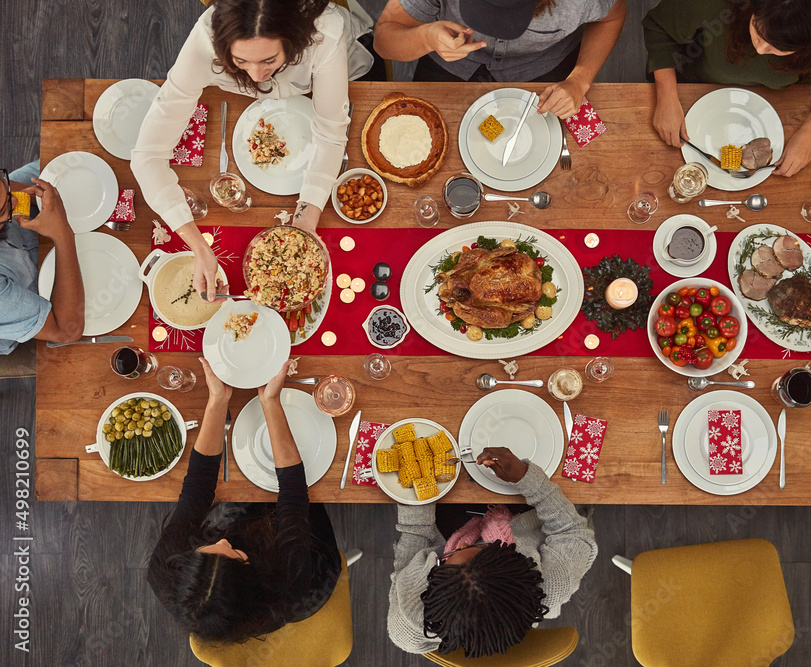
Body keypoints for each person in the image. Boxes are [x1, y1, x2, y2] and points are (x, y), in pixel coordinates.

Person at [131, 0, 373, 302]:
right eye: (241, 62)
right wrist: (198, 246)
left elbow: (330, 130)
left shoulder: (323, 33)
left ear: (292, 40)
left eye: (269, 61)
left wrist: (305, 221)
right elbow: (147, 156)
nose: (257, 76)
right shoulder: (203, 41)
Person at [147, 359, 342, 643]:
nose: (224, 540)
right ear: (252, 574)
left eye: (209, 547)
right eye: (235, 554)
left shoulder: (165, 569)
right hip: (308, 562)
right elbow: (293, 493)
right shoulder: (290, 582)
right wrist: (271, 402)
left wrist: (218, 400)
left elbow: (197, 489)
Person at [387, 446, 597, 657]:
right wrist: (529, 480)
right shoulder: (552, 584)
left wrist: (418, 493)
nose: (460, 546)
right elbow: (572, 530)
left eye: (444, 562)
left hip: (439, 520)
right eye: (483, 548)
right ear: (517, 560)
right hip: (528, 511)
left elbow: (412, 544)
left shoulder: (408, 619)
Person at [643, 0, 811, 177]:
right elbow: (659, 30)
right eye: (758, 31)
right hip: (692, 81)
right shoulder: (706, 4)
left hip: (783, 102)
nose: (760, 49)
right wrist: (666, 96)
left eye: (780, 48)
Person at [373, 0, 626, 119]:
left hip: (543, 68)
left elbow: (612, 17)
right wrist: (426, 38)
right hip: (448, 63)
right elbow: (383, 39)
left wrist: (579, 80)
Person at [0, 161, 85, 353]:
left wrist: (41, 196)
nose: (15, 200)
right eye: (4, 208)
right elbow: (67, 331)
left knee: (68, 164)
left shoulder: (9, 196)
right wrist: (63, 234)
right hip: (38, 305)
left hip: (35, 237)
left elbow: (17, 192)